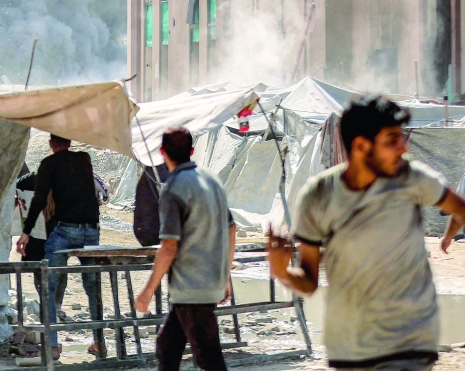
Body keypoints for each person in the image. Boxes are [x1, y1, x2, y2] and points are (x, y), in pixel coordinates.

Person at [269, 96, 465, 371]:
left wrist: (451, 230)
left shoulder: (411, 178)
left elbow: (460, 207)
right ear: (361, 146)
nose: (403, 149)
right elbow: (310, 282)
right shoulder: (318, 195)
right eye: (392, 141)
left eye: (402, 138)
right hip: (350, 348)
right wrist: (282, 272)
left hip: (410, 342)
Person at [133, 127, 236, 371]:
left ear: (162, 153)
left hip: (191, 288)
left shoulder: (174, 187)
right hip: (205, 284)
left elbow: (169, 246)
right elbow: (231, 230)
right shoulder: (213, 181)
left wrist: (148, 291)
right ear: (192, 151)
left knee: (209, 358)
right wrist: (225, 276)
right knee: (167, 348)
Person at [16, 135, 101, 360]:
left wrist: (26, 232)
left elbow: (39, 200)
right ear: (70, 142)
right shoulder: (84, 159)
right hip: (91, 231)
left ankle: (52, 346)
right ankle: (99, 342)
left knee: (48, 286)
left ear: (50, 144)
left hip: (65, 231)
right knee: (93, 287)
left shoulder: (48, 164)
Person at [14, 167, 67, 315]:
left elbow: (16, 187)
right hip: (56, 230)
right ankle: (56, 306)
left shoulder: (30, 179)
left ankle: (47, 304)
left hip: (36, 232)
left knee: (40, 269)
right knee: (59, 269)